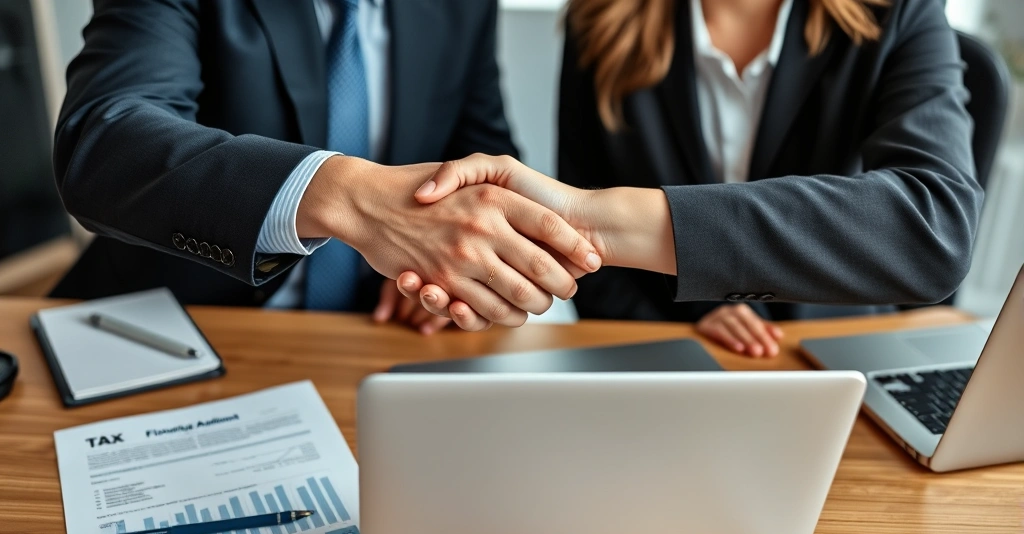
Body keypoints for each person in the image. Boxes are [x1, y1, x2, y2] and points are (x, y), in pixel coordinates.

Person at [396, 0, 983, 341]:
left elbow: (933, 225)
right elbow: (592, 269)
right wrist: (700, 312)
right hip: (667, 347)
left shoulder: (899, 12)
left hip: (837, 345)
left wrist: (592, 219)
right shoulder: (603, 19)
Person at [50, 0, 602, 334]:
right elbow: (104, 140)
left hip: (377, 333)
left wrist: (458, 266)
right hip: (172, 324)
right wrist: (346, 194)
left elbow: (484, 157)